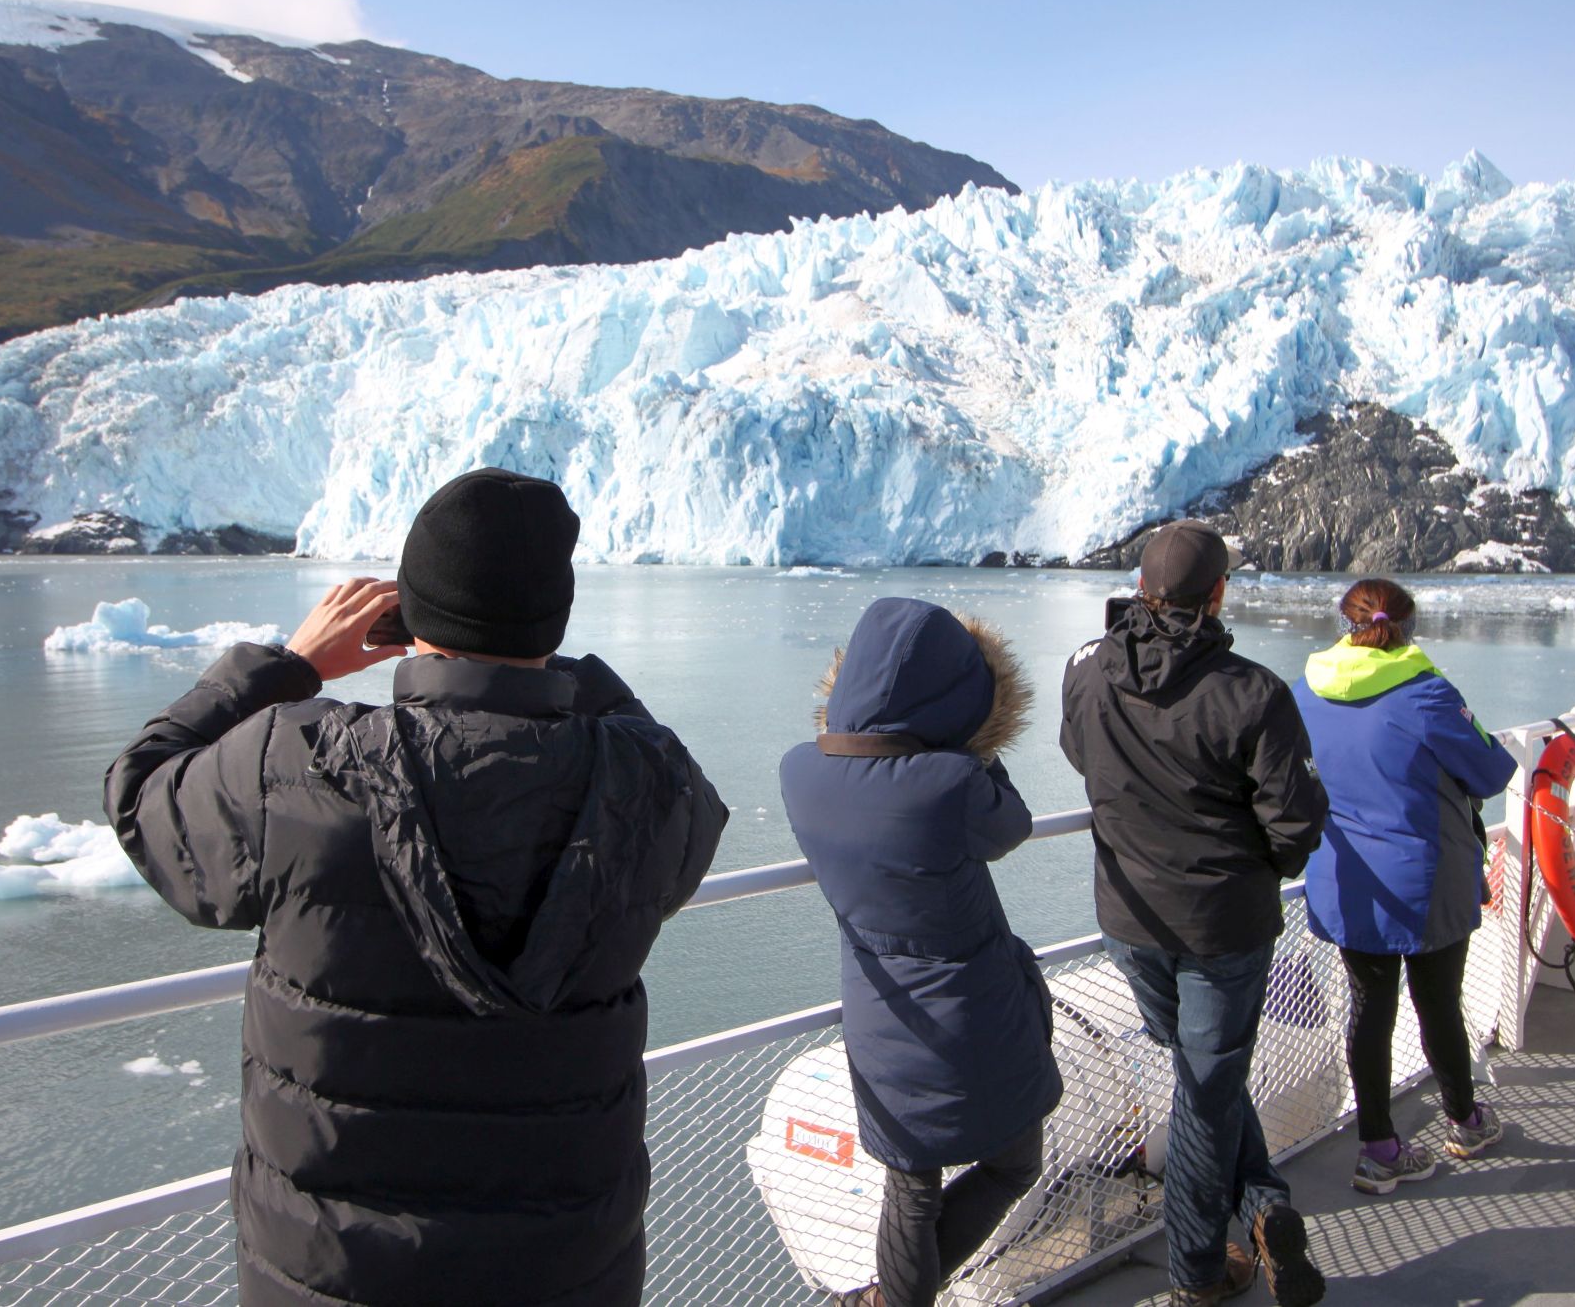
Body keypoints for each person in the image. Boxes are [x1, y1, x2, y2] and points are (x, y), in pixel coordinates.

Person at [104, 468, 728, 1306]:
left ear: (408, 610)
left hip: (334, 1274)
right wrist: (548, 670)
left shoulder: (293, 762)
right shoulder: (647, 785)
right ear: (554, 615)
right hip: (563, 1271)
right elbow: (677, 794)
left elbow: (142, 795)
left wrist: (286, 666)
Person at [1059, 520, 1329, 1307]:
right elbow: (1296, 826)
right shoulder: (1254, 693)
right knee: (1206, 1093)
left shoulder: (1088, 670)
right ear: (1217, 595)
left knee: (1204, 1076)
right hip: (1224, 930)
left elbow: (1081, 753)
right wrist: (1262, 867)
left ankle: (1264, 1204)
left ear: (1143, 590)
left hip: (1130, 920)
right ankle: (1199, 1274)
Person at [779, 597, 1064, 1307]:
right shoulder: (954, 783)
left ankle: (889, 1299)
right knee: (1014, 1162)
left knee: (910, 1185)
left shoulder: (797, 772)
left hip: (880, 1011)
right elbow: (1013, 825)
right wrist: (971, 742)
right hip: (976, 1013)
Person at [1292, 578, 1515, 1196]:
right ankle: (1466, 1121)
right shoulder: (1427, 693)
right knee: (1437, 1003)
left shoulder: (1303, 691)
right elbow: (1492, 769)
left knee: (1369, 1010)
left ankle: (1380, 1149)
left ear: (1344, 624)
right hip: (1426, 884)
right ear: (1407, 630)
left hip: (1349, 882)